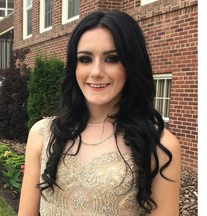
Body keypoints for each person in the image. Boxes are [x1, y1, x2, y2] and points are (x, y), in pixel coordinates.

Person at [18, 10, 181, 216]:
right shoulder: (42, 134)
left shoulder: (159, 145)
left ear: (132, 65)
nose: (96, 72)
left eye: (112, 58)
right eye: (85, 59)